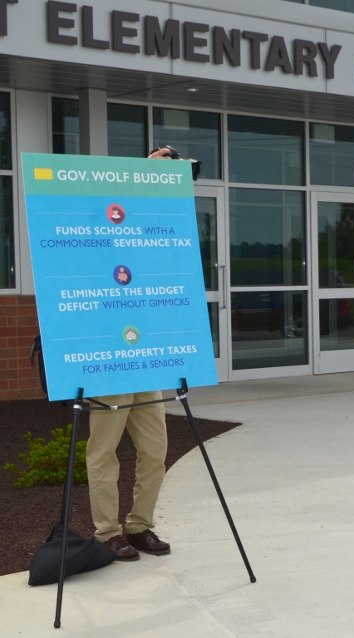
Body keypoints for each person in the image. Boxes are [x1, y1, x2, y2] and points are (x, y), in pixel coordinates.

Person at [87, 147, 176, 561]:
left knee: (155, 449)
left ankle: (140, 526)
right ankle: (108, 532)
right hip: (109, 360)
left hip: (145, 355)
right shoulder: (101, 232)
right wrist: (144, 169)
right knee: (103, 451)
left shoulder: (150, 239)